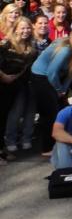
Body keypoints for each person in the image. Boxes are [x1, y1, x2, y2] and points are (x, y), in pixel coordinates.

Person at [30, 26, 72, 156]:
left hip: (55, 77)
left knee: (60, 110)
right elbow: (52, 73)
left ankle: (61, 141)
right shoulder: (66, 50)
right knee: (50, 113)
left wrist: (63, 90)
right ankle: (47, 148)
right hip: (41, 76)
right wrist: (58, 89)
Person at [0, 17, 38, 155]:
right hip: (5, 84)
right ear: (15, 29)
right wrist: (3, 76)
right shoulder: (5, 44)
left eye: (28, 28)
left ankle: (25, 138)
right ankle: (10, 140)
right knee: (15, 112)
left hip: (24, 82)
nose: (26, 31)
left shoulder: (32, 46)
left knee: (29, 111)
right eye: (22, 28)